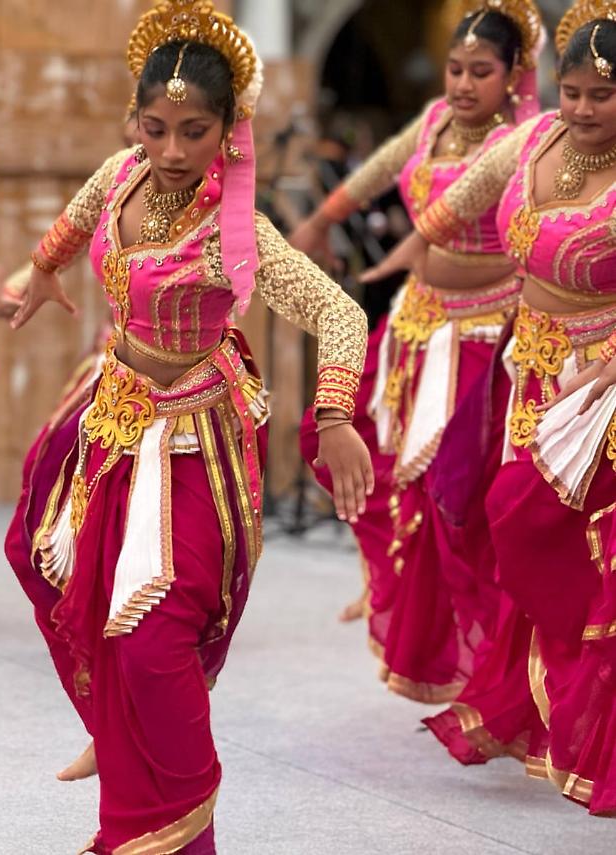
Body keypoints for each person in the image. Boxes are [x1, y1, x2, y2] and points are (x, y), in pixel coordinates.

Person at [5, 1, 371, 850]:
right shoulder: (120, 174)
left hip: (193, 438)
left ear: (229, 128)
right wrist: (38, 273)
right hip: (110, 413)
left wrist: (334, 413)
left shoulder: (235, 231)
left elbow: (341, 312)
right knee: (41, 560)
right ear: (134, 121)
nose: (171, 151)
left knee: (153, 636)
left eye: (194, 131)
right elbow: (71, 227)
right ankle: (113, 727)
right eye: (156, 128)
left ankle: (174, 823)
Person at [364, 1, 616, 814]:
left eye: (602, 95)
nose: (582, 108)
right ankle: (546, 708)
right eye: (572, 91)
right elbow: (459, 199)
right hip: (528, 368)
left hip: (596, 386)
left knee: (572, 547)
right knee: (513, 529)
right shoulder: (534, 140)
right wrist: (409, 252)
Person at [290, 3, 543, 694]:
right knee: (332, 431)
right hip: (413, 324)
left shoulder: (526, 143)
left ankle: (479, 662)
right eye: (455, 69)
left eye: (480, 72)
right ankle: (392, 589)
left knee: (456, 501)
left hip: (486, 334)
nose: (462, 84)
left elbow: (499, 218)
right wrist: (319, 221)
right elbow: (377, 170)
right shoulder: (433, 123)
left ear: (513, 75)